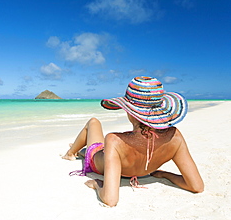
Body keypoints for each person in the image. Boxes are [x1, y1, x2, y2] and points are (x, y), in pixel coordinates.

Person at [62, 76, 204, 207]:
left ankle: (70, 153)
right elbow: (196, 186)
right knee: (94, 148)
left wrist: (97, 185)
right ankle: (78, 151)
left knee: (93, 124)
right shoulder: (175, 137)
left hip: (97, 161)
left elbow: (110, 200)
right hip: (126, 163)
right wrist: (164, 174)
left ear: (130, 111)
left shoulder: (114, 140)